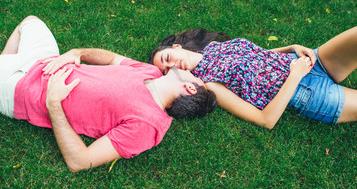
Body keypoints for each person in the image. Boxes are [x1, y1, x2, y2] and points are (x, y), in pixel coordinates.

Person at [0, 16, 216, 172]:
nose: (191, 72)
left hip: (21, 87)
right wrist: (78, 53)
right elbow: (113, 59)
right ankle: (6, 62)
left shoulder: (148, 125)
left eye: (195, 78)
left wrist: (54, 102)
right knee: (31, 22)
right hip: (46, 60)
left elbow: (80, 161)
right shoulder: (151, 71)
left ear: (190, 88)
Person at [149, 27, 357, 129]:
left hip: (308, 60)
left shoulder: (212, 48)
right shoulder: (210, 83)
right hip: (308, 93)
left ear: (176, 46)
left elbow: (255, 57)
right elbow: (265, 120)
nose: (172, 67)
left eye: (167, 58)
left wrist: (290, 48)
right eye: (166, 71)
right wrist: (295, 76)